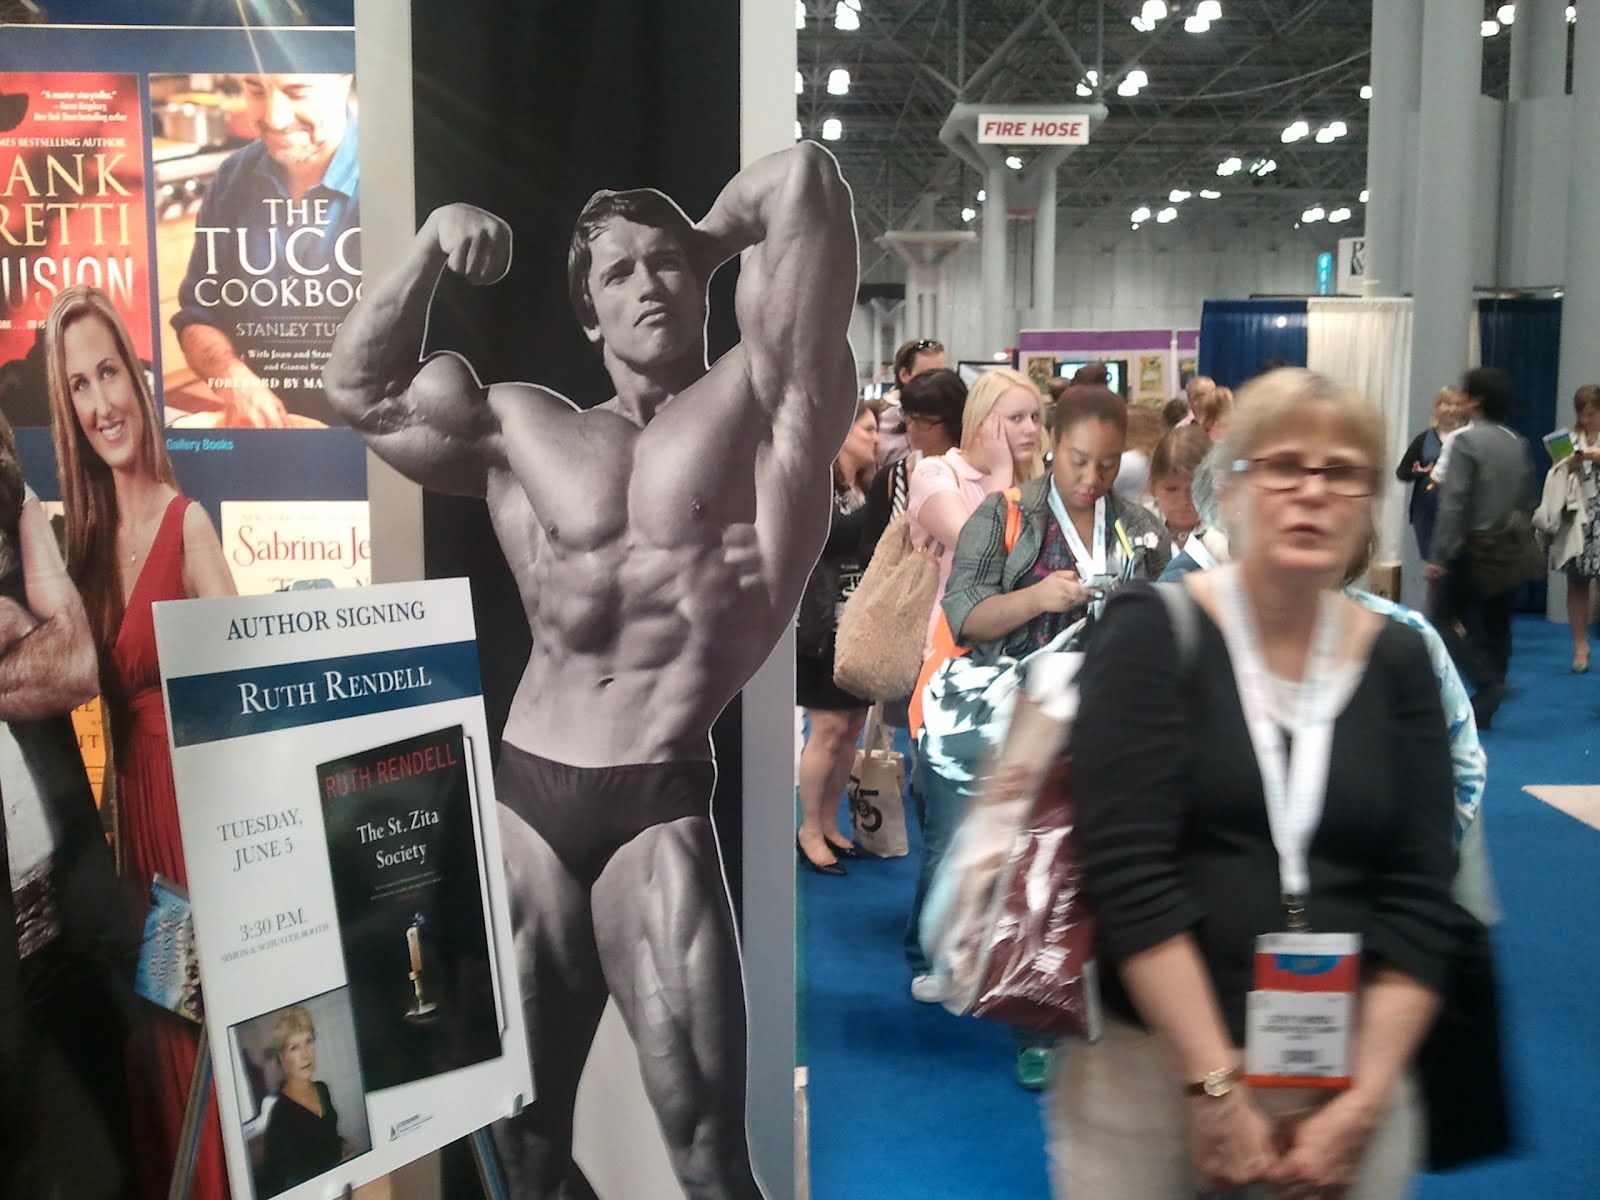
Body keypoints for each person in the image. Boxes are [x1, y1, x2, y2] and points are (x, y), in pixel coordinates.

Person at [324, 140, 856, 1198]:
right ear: (588, 314)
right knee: (518, 1151)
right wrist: (428, 247)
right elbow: (357, 391)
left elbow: (803, 178)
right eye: (617, 273)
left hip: (654, 803)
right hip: (525, 796)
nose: (646, 284)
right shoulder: (527, 428)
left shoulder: (770, 400)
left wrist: (699, 240)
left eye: (664, 265)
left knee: (709, 1155)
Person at [1055, 368, 1464, 1199]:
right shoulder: (1151, 633)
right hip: (1155, 1076)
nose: (1312, 492)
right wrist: (1215, 1089)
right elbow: (1129, 875)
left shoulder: (1400, 661)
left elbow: (1424, 893)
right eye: (1283, 466)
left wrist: (1364, 1101)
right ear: (1231, 490)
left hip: (1349, 1079)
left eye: (1341, 472)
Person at [45, 285, 238, 1200]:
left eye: (108, 373)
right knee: (161, 1034)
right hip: (135, 846)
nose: (100, 403)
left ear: (136, 377)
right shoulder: (80, 546)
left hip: (195, 841)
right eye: (79, 387)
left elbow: (247, 701)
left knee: (202, 1039)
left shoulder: (187, 525)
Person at [935, 385, 1169, 1090]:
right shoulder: (1005, 514)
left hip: (1116, 720)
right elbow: (964, 617)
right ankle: (1032, 1020)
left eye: (1107, 464)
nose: (1092, 478)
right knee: (1033, 871)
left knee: (1108, 867)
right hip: (1028, 720)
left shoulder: (1139, 526)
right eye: (1078, 460)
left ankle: (1109, 1006)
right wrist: (1038, 597)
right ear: (1052, 445)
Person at [0, 408, 140, 1200]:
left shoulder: (10, 492)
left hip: (67, 922)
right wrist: (22, 632)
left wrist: (37, 632)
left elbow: (75, 662)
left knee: (104, 1163)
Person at [901, 366, 1042, 1001]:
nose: (1029, 429)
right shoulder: (938, 474)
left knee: (1012, 829)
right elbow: (988, 552)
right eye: (1015, 418)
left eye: (1035, 417)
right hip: (953, 675)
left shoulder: (1040, 485)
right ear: (983, 420)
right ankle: (931, 953)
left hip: (1024, 674)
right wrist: (1010, 477)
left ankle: (990, 952)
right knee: (950, 828)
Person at [171, 73, 359, 428]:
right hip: (269, 431)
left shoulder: (393, 174)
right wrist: (232, 378)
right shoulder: (232, 176)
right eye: (255, 89)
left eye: (297, 92)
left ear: (343, 78)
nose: (274, 118)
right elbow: (199, 317)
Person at [1425, 367, 1534, 729]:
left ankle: (1487, 684)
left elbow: (1454, 503)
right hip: (1509, 545)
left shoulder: (1466, 441)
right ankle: (1490, 699)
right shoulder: (1517, 442)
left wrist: (1440, 554)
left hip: (1471, 548)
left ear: (1476, 401)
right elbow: (1526, 498)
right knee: (1498, 623)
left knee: (1442, 620)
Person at [796, 402, 877, 874]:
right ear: (841, 431)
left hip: (859, 630)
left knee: (850, 729)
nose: (875, 439)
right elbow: (828, 537)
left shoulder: (862, 490)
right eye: (867, 429)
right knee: (826, 730)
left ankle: (828, 821)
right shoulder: (813, 486)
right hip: (823, 627)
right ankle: (808, 828)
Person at [858, 367, 964, 559]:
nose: (912, 427)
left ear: (952, 421)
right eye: (908, 416)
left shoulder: (972, 475)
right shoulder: (891, 478)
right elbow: (868, 551)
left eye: (923, 420)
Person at [256, 1007, 351, 1198]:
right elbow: (275, 1182)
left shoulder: (322, 1089)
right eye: (294, 1047)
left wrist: (343, 1144)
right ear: (283, 1058)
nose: (305, 1055)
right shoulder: (280, 1114)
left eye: (309, 1041)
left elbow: (326, 1134)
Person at [1553, 385, 1600, 672]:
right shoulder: (1571, 438)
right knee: (1577, 581)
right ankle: (1580, 646)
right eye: (1582, 414)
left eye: (1592, 414)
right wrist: (1569, 462)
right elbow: (1557, 471)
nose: (1586, 420)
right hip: (1578, 517)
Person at [1395, 386, 1466, 561]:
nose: (1452, 409)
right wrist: (1418, 472)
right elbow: (1402, 472)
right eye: (1446, 403)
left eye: (1457, 404)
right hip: (1427, 512)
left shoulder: (1468, 438)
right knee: (1433, 563)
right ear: (1437, 407)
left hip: (1461, 512)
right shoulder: (1423, 439)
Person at [1148, 425, 1224, 568]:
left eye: (1192, 490)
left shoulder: (1225, 533)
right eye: (1171, 490)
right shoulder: (1140, 526)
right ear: (1153, 487)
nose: (1183, 501)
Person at [876, 338, 948, 467]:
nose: (938, 384)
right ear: (904, 375)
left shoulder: (954, 423)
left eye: (943, 375)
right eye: (928, 376)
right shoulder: (880, 426)